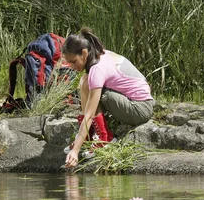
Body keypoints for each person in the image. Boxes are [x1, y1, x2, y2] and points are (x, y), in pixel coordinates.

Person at [62, 27, 154, 168]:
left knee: (96, 92)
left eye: (74, 61)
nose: (72, 66)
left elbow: (89, 115)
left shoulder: (97, 69)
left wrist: (75, 151)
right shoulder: (100, 55)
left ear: (84, 53)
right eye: (69, 63)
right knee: (84, 81)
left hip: (140, 109)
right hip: (136, 102)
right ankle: (88, 136)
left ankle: (105, 138)